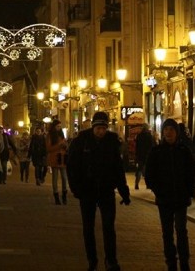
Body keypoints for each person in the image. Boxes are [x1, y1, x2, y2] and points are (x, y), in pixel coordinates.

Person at [67, 111, 131, 271]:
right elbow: (72, 166)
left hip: (106, 190)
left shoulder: (111, 142)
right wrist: (76, 189)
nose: (101, 131)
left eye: (103, 128)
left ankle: (111, 260)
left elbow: (118, 169)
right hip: (87, 191)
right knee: (88, 228)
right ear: (93, 127)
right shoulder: (81, 141)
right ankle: (92, 259)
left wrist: (124, 191)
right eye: (98, 128)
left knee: (109, 227)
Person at [145, 118, 195, 271]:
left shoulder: (183, 151)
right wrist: (158, 190)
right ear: (163, 133)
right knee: (167, 232)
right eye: (166, 130)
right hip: (164, 199)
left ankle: (184, 261)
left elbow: (191, 172)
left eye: (172, 130)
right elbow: (149, 174)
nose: (168, 133)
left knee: (181, 230)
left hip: (181, 198)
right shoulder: (156, 151)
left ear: (177, 133)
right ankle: (171, 262)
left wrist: (189, 190)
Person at [46, 119, 69, 204]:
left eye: (60, 126)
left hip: (62, 158)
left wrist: (65, 145)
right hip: (54, 158)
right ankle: (56, 196)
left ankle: (64, 194)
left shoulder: (62, 135)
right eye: (57, 126)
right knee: (55, 178)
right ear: (54, 127)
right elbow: (49, 148)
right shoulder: (50, 135)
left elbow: (66, 146)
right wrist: (59, 145)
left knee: (64, 177)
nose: (59, 128)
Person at [134, 124, 154, 190]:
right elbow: (151, 146)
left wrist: (136, 155)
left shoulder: (139, 136)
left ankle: (136, 184)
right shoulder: (149, 136)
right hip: (147, 155)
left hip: (140, 155)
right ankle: (148, 184)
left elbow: (136, 146)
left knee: (139, 170)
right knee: (146, 171)